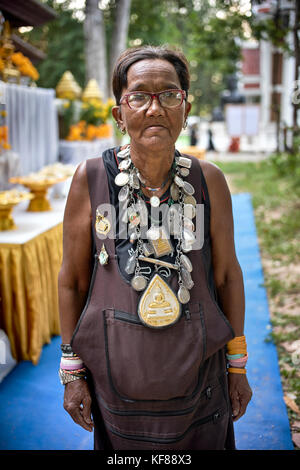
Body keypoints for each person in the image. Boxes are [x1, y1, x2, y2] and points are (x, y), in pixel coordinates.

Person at [58, 45, 252, 450]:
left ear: (185, 107)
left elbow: (228, 276)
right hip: (117, 378)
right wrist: (73, 372)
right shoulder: (92, 178)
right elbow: (73, 281)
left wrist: (237, 366)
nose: (154, 108)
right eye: (139, 96)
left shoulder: (208, 180)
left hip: (201, 378)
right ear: (119, 112)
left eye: (169, 94)